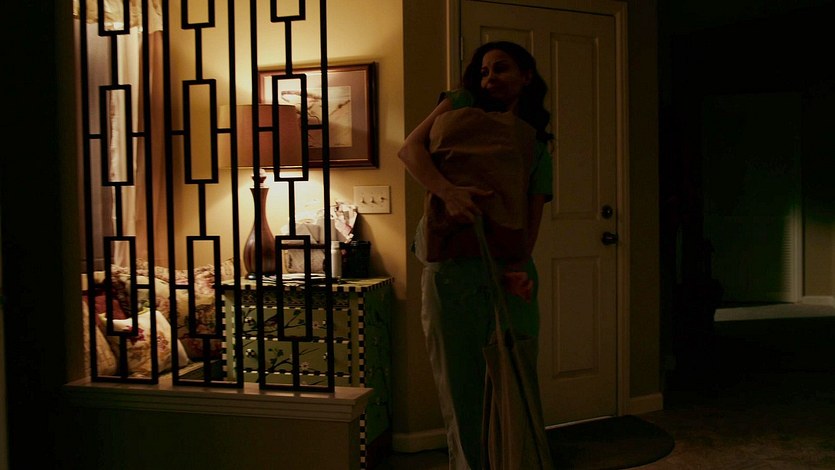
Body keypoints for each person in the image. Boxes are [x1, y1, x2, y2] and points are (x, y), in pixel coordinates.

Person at [398, 41, 554, 469]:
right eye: (484, 71)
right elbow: (409, 149)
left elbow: (532, 214)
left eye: (501, 69)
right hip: (450, 270)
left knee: (514, 377)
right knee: (460, 387)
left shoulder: (535, 142)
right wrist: (447, 192)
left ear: (526, 76)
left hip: (511, 273)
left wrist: (518, 267)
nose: (490, 79)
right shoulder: (460, 103)